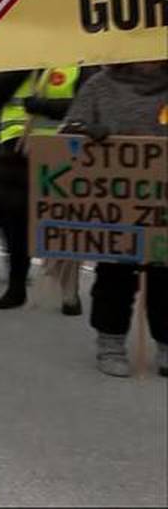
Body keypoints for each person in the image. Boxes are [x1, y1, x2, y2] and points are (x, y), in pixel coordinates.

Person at [61, 60, 168, 378]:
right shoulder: (100, 85)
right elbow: (67, 132)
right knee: (115, 277)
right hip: (115, 203)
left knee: (165, 277)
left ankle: (166, 343)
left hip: (161, 203)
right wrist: (85, 133)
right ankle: (110, 343)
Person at [0, 66, 90, 312]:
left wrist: (43, 106)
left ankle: (69, 291)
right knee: (14, 220)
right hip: (16, 147)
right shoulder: (19, 58)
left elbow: (84, 105)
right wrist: (26, 65)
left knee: (65, 221)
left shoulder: (77, 62)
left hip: (61, 149)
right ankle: (16, 285)